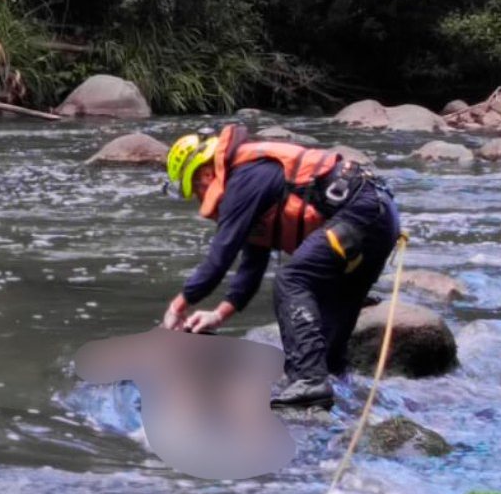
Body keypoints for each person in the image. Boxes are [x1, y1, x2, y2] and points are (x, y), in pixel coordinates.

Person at [162, 125, 400, 409]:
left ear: (205, 174)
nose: (201, 199)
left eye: (197, 191)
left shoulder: (245, 177)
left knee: (291, 279)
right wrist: (219, 315)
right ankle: (334, 393)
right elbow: (252, 266)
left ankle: (310, 382)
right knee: (329, 329)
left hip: (362, 212)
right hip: (375, 219)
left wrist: (178, 306)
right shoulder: (250, 183)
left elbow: (220, 258)